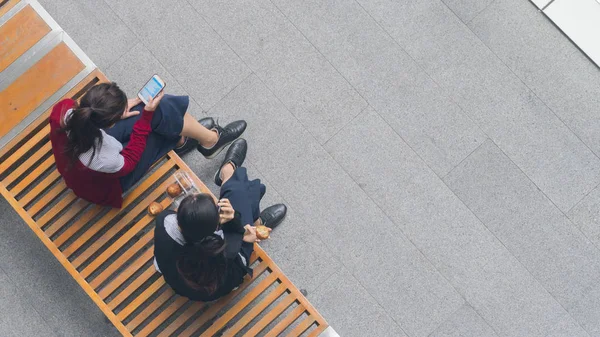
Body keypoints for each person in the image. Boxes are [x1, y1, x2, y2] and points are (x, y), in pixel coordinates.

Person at [49, 82, 246, 208]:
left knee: (154, 111)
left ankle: (186, 139)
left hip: (85, 151)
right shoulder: (101, 157)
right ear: (110, 123)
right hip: (109, 182)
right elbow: (130, 161)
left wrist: (123, 114)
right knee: (153, 119)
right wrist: (147, 117)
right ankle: (208, 140)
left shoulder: (64, 110)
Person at [153, 139, 287, 301]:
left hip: (178, 280)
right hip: (221, 281)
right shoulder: (224, 250)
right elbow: (236, 240)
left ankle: (233, 181)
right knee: (239, 194)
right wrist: (237, 225)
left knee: (243, 200)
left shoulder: (164, 222)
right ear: (216, 228)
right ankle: (228, 174)